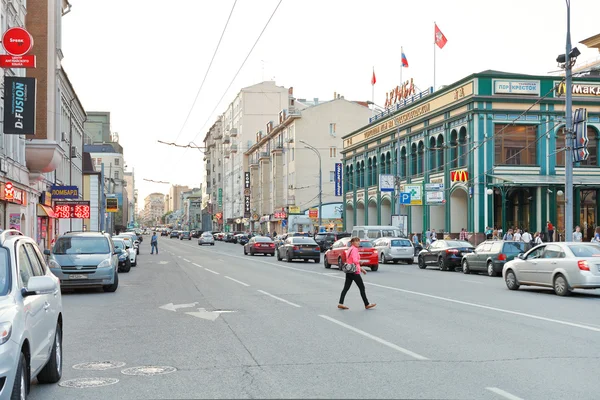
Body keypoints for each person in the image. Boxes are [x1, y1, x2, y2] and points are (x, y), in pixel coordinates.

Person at [338, 237, 376, 310]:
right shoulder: (355, 250)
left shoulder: (349, 249)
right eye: (356, 241)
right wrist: (360, 262)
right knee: (362, 287)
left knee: (346, 288)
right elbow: (355, 261)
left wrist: (361, 269)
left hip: (349, 270)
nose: (358, 243)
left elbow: (350, 261)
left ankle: (340, 303)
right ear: (352, 243)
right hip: (354, 272)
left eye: (359, 241)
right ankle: (367, 304)